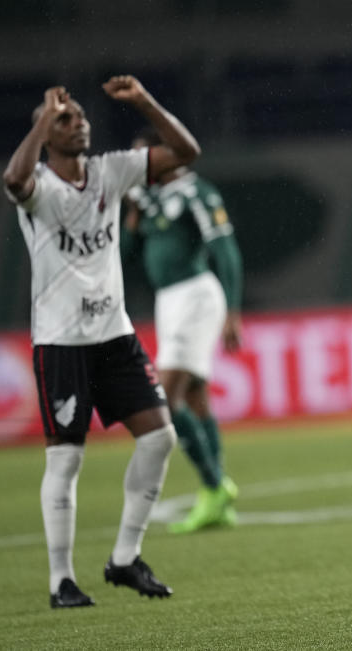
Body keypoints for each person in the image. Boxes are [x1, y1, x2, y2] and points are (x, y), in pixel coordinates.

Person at [3, 76, 201, 608]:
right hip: (61, 342)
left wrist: (143, 103)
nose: (80, 122)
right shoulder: (40, 188)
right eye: (67, 119)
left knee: (160, 437)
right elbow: (13, 179)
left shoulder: (112, 170)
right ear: (46, 133)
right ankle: (61, 580)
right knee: (66, 460)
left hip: (114, 334)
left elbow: (187, 151)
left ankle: (123, 559)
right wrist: (44, 118)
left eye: (81, 116)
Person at [122, 127, 242, 533]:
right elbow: (126, 256)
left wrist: (233, 309)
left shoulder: (197, 193)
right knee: (196, 399)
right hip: (167, 302)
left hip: (196, 296)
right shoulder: (146, 200)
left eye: (145, 158)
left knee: (164, 401)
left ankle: (213, 485)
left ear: (164, 156)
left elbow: (225, 250)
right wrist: (131, 218)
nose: (140, 167)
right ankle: (218, 500)